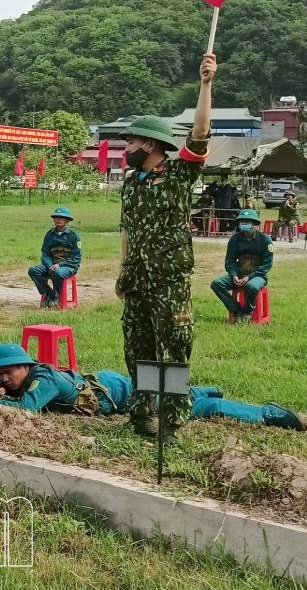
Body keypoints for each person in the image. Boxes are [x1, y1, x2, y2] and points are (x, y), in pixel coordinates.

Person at [116, 53, 214, 441]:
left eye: (135, 140)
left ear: (154, 145)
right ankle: (142, 414)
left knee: (173, 347)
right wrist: (122, 272)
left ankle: (172, 420)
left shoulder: (177, 175)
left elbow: (201, 133)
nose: (129, 147)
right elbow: (127, 230)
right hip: (137, 278)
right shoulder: (131, 183)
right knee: (137, 346)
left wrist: (206, 85)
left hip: (169, 278)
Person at [0, 344, 304, 434]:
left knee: (195, 410)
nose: (3, 379)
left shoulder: (43, 381)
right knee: (172, 389)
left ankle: (270, 416)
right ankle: (206, 389)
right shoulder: (35, 375)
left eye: (6, 373)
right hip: (111, 385)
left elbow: (28, 409)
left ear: (24, 366)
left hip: (120, 395)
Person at [210, 209, 274, 323]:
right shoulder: (235, 239)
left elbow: (267, 265)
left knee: (252, 287)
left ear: (255, 224)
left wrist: (249, 277)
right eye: (242, 222)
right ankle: (236, 309)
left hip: (257, 275)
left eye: (247, 222)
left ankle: (247, 312)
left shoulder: (265, 240)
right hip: (239, 273)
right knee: (217, 284)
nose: (244, 225)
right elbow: (230, 261)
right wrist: (234, 274)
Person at [28, 207, 82, 307]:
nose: (58, 220)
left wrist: (59, 265)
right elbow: (45, 253)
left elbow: (76, 258)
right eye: (56, 218)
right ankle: (50, 294)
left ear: (67, 221)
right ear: (54, 220)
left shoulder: (74, 236)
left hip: (68, 266)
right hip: (51, 265)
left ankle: (56, 297)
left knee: (57, 272)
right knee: (33, 270)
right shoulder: (49, 235)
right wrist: (49, 265)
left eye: (61, 218)